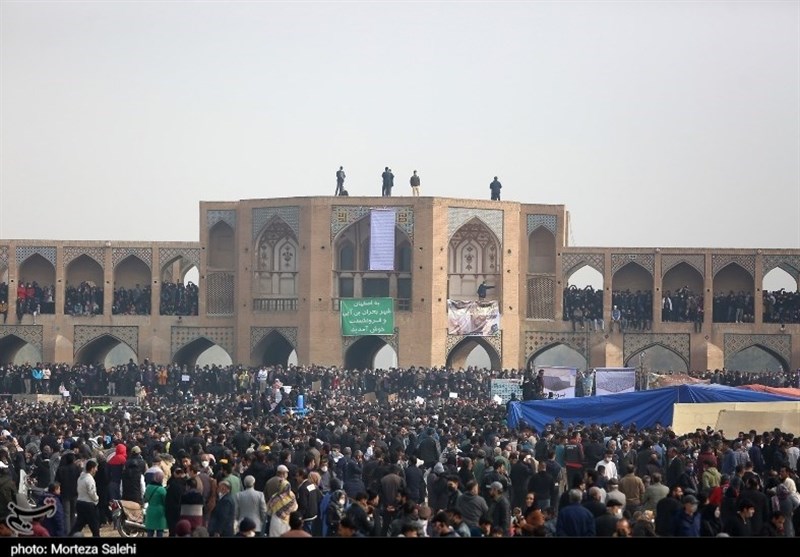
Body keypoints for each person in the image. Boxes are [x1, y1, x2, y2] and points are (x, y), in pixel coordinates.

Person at [69, 459, 100, 537]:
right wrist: (96, 499)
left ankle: (70, 536)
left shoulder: (80, 478)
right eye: (95, 468)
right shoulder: (89, 479)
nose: (96, 470)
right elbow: (91, 492)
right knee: (95, 526)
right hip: (88, 504)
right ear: (92, 468)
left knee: (78, 525)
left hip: (80, 502)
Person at [143, 470, 168, 537]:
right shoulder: (162, 490)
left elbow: (145, 499)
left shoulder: (148, 487)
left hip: (150, 510)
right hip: (160, 511)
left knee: (150, 531)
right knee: (159, 531)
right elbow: (165, 501)